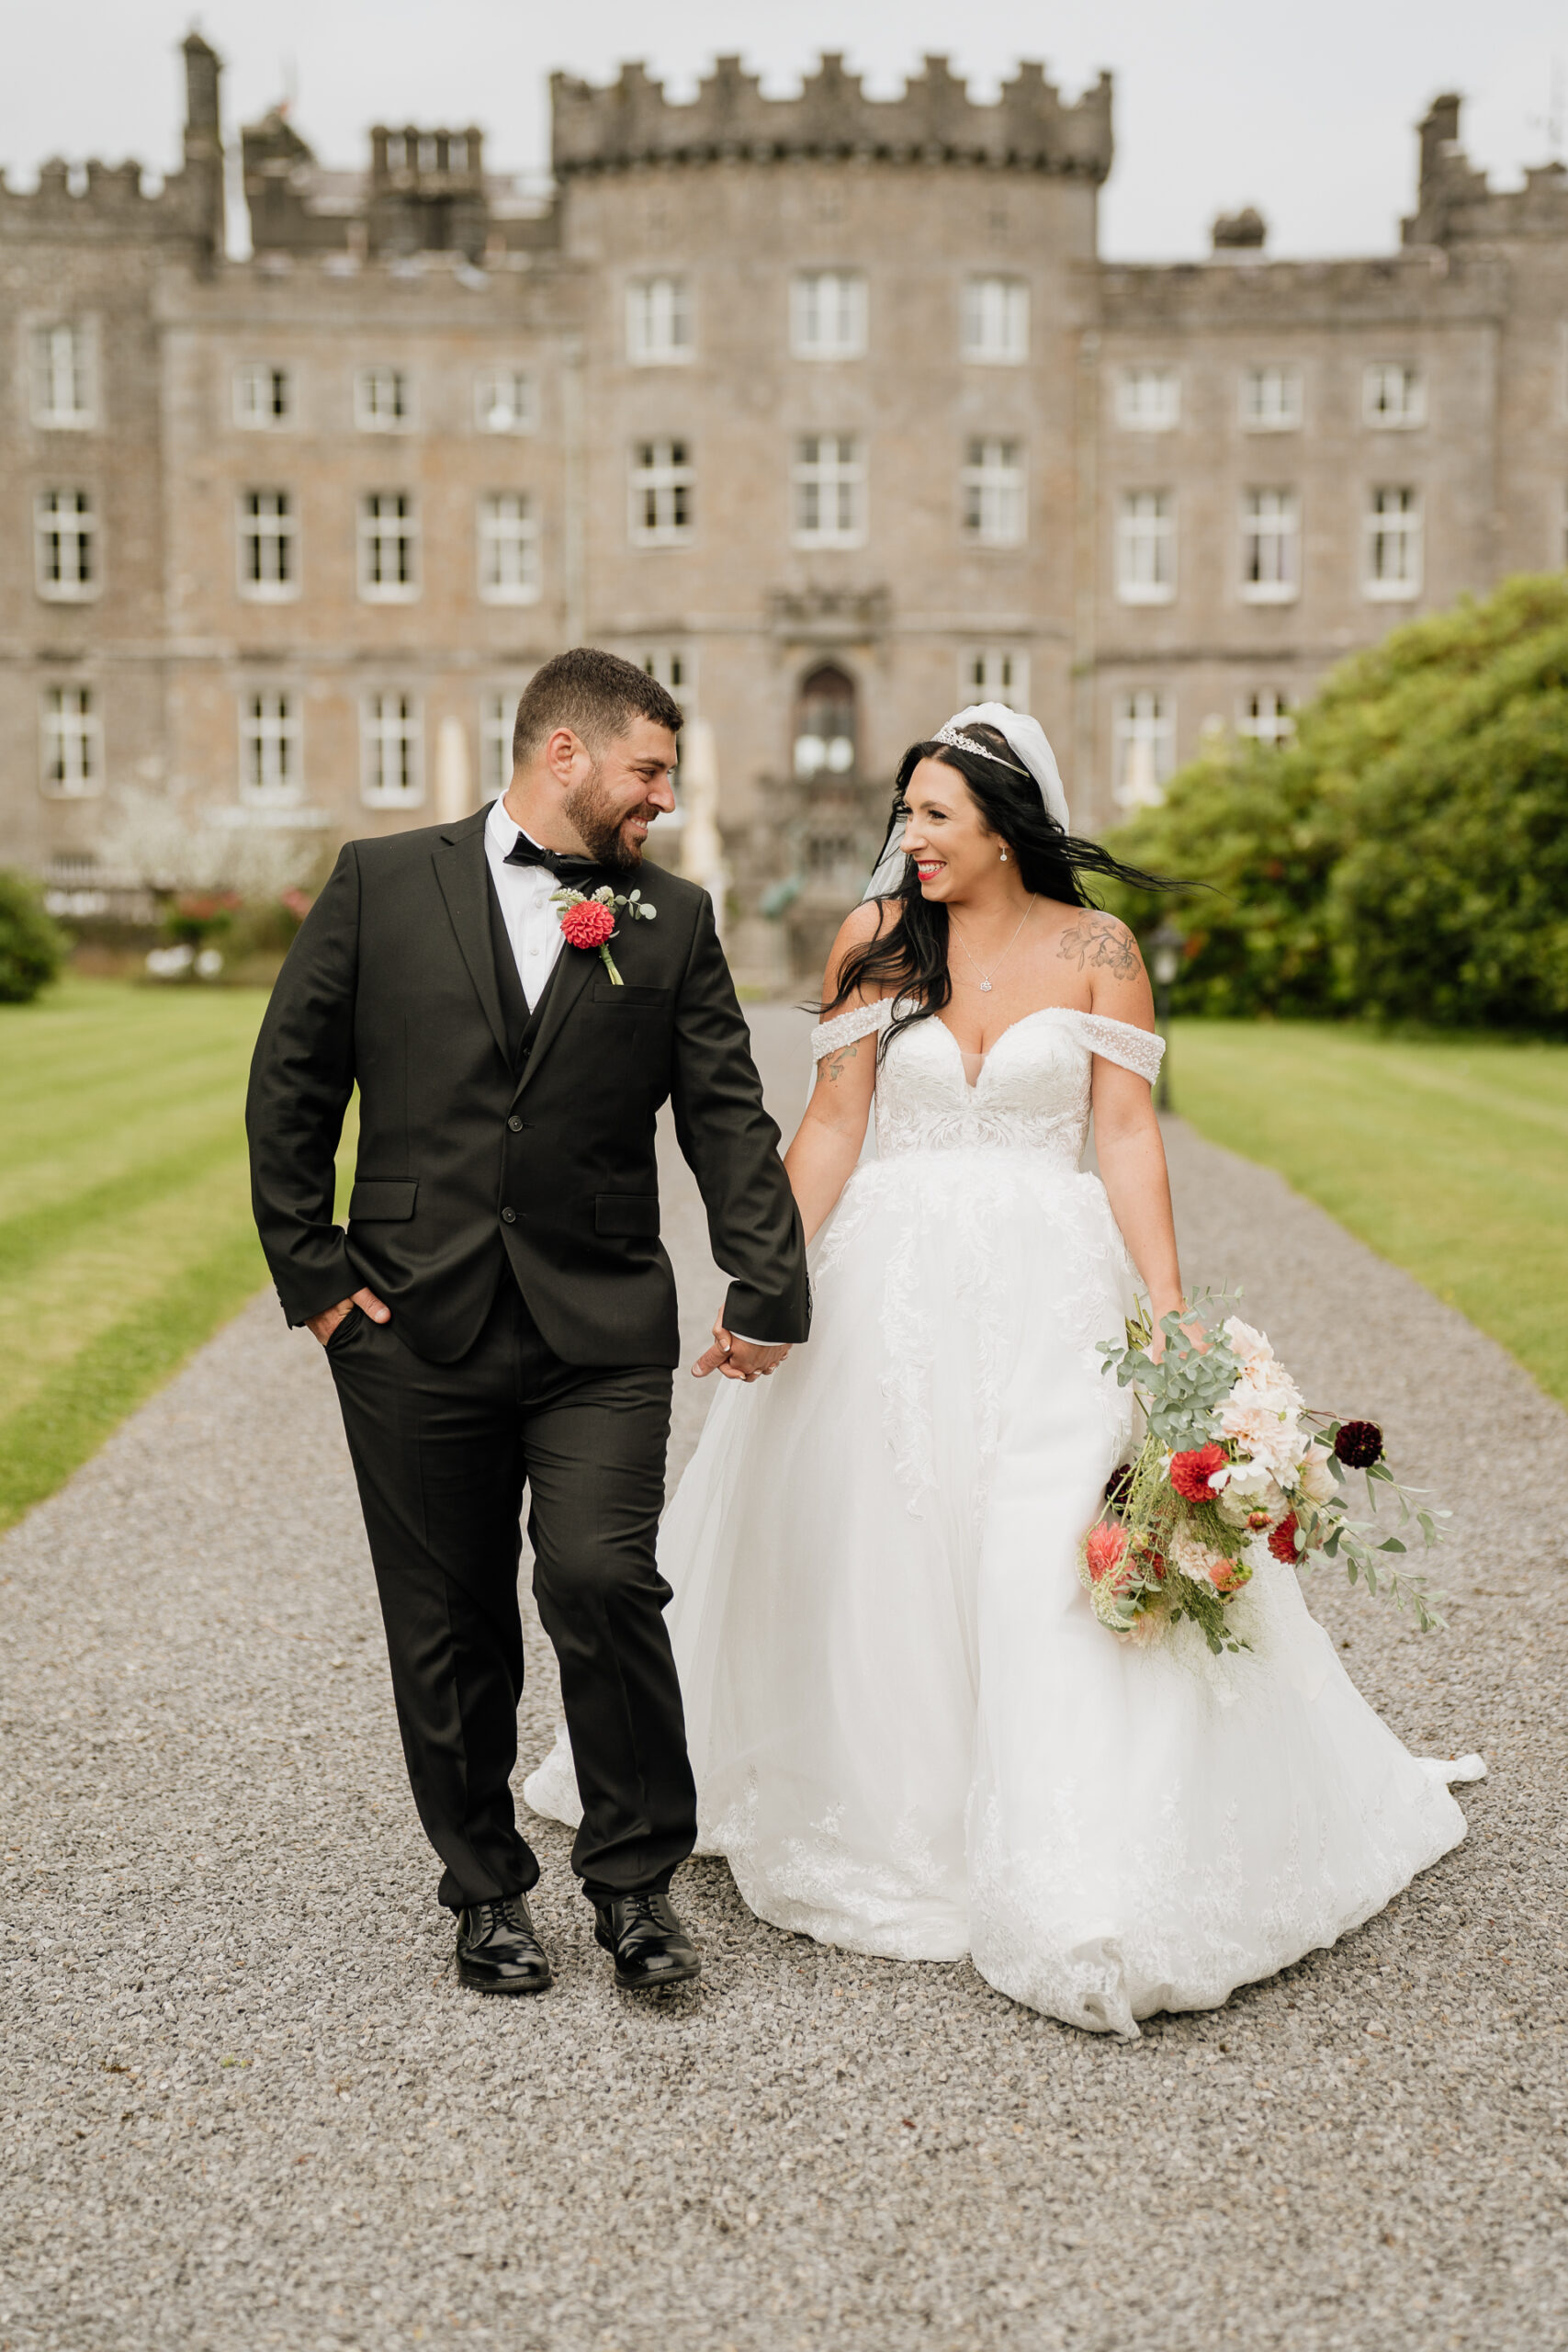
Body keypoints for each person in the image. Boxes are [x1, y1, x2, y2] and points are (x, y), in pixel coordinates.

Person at [525, 703, 1483, 2036]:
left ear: (1005, 825)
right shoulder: (871, 940)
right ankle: (891, 1806)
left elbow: (1128, 1133)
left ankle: (1061, 1828)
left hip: (1050, 1292)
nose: (909, 839)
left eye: (936, 818)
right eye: (906, 814)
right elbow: (832, 1128)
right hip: (884, 1292)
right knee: (880, 1539)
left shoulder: (1098, 947)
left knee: (1045, 1547)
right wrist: (768, 1284)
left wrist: (1168, 1317)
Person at [246, 648, 808, 1997]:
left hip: (599, 1321)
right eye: (649, 770)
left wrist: (765, 1280)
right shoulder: (381, 882)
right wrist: (320, 1283)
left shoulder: (669, 919)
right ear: (567, 754)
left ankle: (633, 1883)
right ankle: (487, 1888)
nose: (661, 799)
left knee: (604, 1581)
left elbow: (725, 1112)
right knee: (446, 1620)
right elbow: (291, 1087)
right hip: (408, 1325)